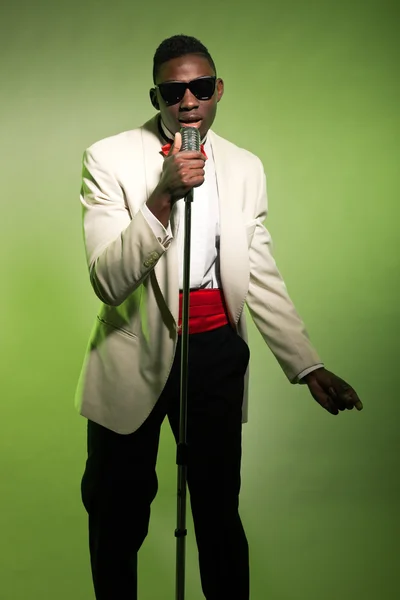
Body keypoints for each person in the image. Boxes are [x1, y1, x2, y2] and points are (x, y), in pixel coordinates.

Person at [76, 34, 363, 600]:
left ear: (217, 89)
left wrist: (308, 365)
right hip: (132, 352)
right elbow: (109, 281)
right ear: (156, 95)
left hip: (214, 356)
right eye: (173, 90)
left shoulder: (245, 167)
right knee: (117, 513)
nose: (188, 101)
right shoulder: (107, 157)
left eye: (200, 87)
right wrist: (162, 195)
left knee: (217, 511)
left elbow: (259, 272)